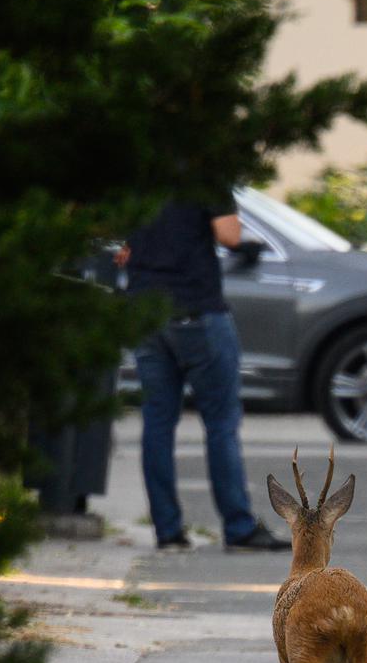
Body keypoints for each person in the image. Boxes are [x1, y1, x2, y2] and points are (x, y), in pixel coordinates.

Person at [117, 194, 290, 552]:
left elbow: (116, 239)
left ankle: (167, 530)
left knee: (158, 421)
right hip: (195, 308)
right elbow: (229, 235)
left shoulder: (138, 169)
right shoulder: (205, 173)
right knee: (221, 422)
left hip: (144, 311)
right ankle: (238, 527)